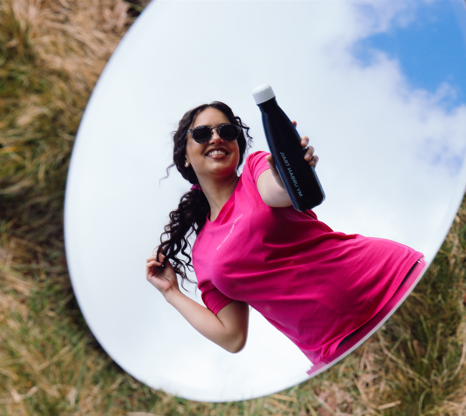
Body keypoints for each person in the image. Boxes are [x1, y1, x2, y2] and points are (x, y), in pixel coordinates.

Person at [146, 101, 425, 368]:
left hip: (391, 282)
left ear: (237, 146)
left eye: (227, 131)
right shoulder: (202, 255)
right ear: (185, 155)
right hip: (335, 348)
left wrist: (289, 170)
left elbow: (278, 190)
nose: (217, 138)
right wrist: (171, 292)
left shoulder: (255, 170)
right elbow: (232, 337)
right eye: (202, 133)